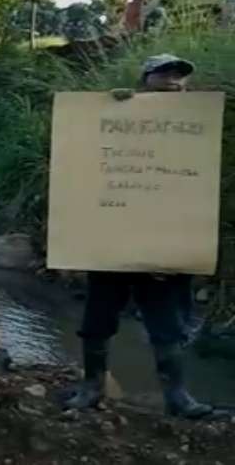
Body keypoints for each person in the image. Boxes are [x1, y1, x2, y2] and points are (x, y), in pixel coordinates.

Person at [65, 55, 214, 419]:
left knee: (168, 327)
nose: (172, 81)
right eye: (164, 73)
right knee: (97, 320)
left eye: (179, 76)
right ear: (145, 79)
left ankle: (177, 397)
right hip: (111, 245)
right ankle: (92, 388)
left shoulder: (198, 126)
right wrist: (109, 106)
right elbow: (82, 160)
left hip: (166, 250)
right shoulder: (115, 114)